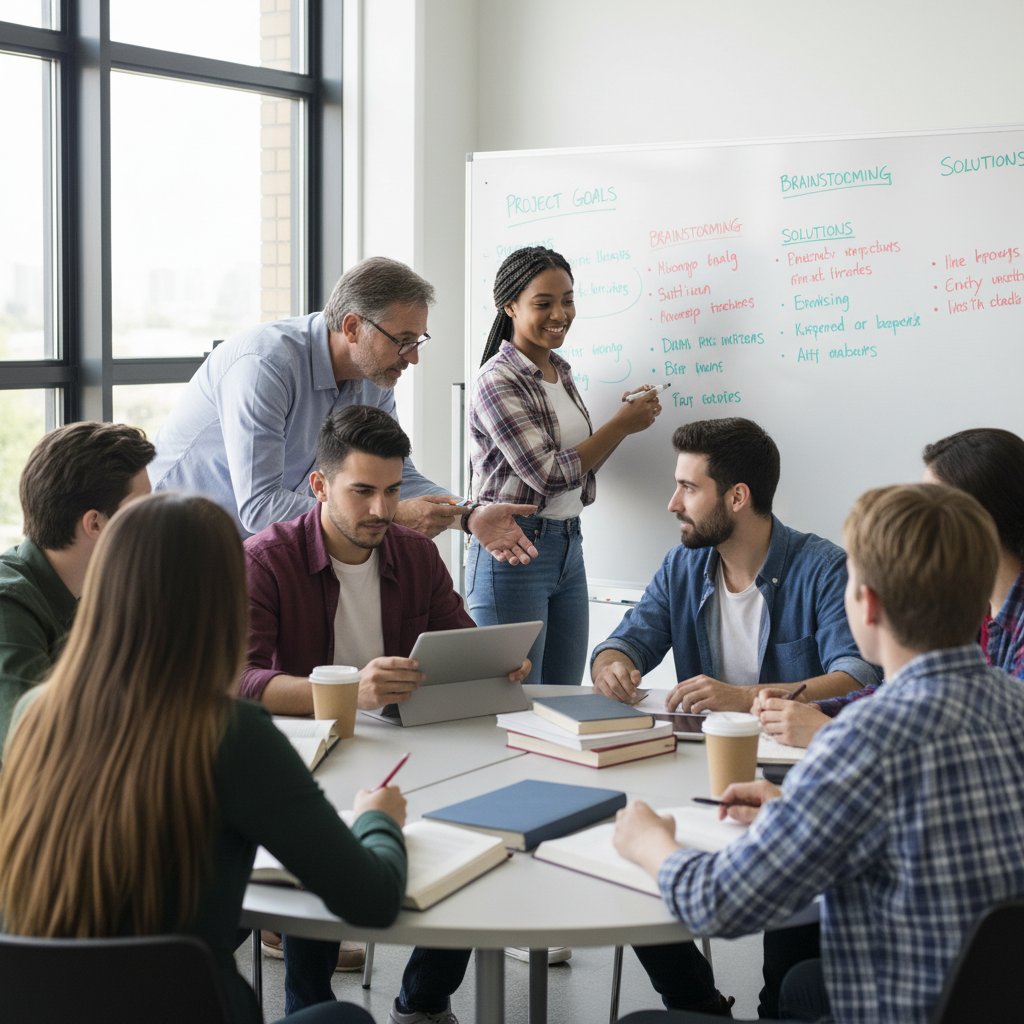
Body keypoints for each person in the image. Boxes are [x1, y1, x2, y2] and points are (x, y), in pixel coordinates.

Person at [612, 482, 1024, 1023]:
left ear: (867, 604)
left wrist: (650, 844)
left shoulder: (862, 738)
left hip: (898, 1007)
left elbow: (722, 904)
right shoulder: (1014, 701)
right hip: (989, 997)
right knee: (803, 984)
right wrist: (794, 809)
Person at [0, 492, 405, 1024]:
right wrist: (378, 819)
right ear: (221, 600)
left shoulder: (33, 714)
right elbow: (370, 901)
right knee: (345, 1019)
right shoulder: (229, 734)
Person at [242, 405, 529, 1023]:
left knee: (480, 828)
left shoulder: (415, 555)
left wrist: (496, 661)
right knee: (318, 832)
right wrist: (347, 690)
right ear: (319, 486)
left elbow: (459, 637)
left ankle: (423, 1000)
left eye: (393, 491)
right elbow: (238, 681)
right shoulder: (266, 560)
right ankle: (308, 1006)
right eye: (363, 491)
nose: (381, 509)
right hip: (308, 757)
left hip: (406, 750)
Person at [150, 255, 538, 564]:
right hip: (171, 542)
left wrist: (470, 515)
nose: (414, 358)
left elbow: (399, 473)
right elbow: (261, 505)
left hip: (248, 548)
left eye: (418, 340)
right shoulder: (267, 364)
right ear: (353, 327)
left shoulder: (374, 375)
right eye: (403, 341)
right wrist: (390, 514)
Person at [756, 425, 1024, 750]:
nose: (915, 519)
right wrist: (817, 710)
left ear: (978, 519)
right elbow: (906, 692)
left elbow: (988, 742)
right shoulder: (968, 602)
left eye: (931, 508)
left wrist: (829, 733)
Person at [467, 246, 661, 685]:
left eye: (568, 300)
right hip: (514, 552)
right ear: (509, 306)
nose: (561, 313)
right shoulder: (496, 380)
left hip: (567, 545)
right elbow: (549, 475)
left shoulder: (560, 370)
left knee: (564, 698)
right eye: (543, 303)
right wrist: (620, 425)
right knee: (513, 706)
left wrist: (624, 425)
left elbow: (580, 468)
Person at [591, 418, 879, 711]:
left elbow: (858, 679)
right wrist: (611, 668)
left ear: (737, 497)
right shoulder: (680, 566)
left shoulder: (824, 570)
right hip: (707, 748)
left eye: (688, 488)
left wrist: (744, 698)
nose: (673, 504)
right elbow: (625, 644)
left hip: (796, 749)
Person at [0, 421, 154, 747]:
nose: (152, 523)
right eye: (140, 510)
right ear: (95, 523)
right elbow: (34, 746)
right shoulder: (8, 608)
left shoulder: (102, 591)